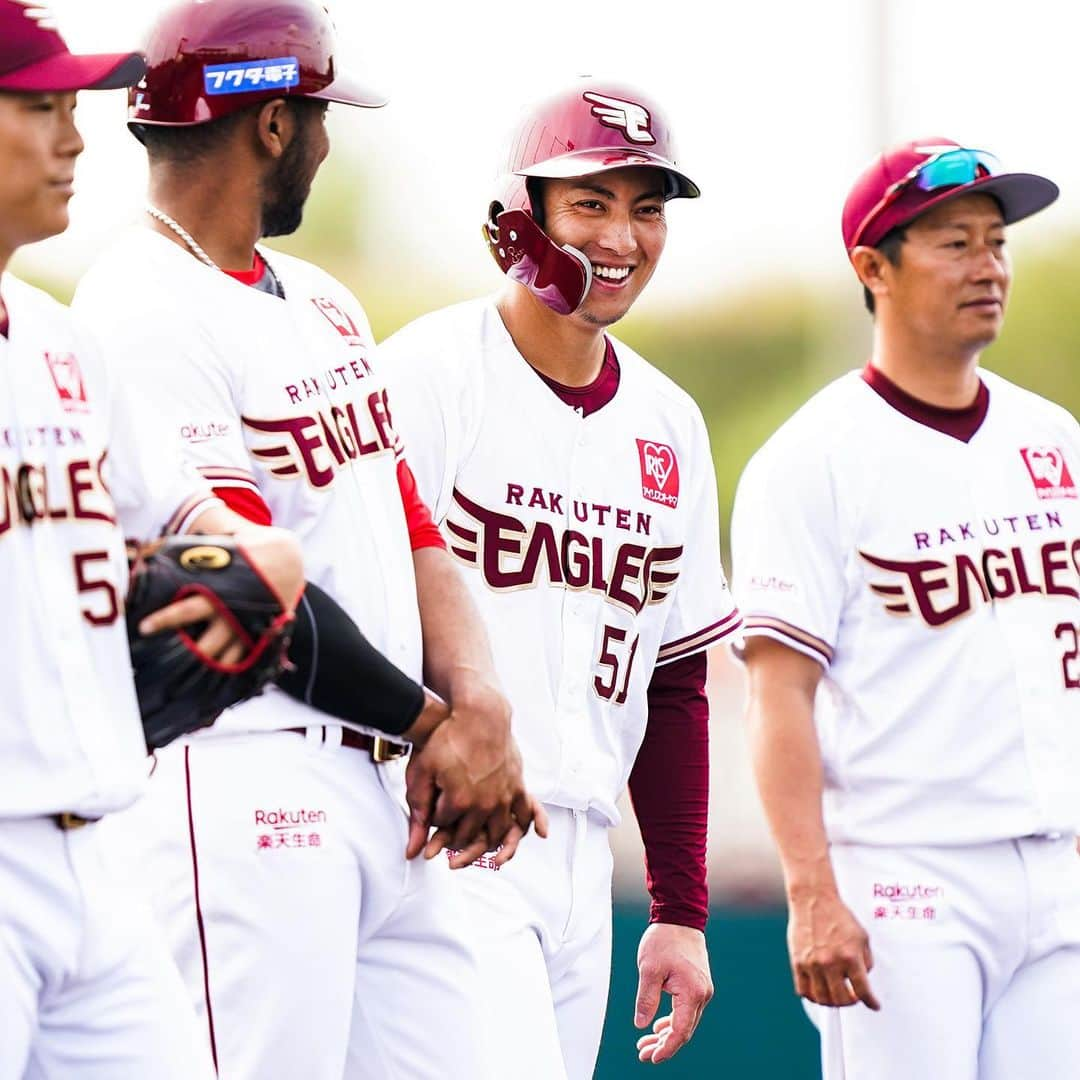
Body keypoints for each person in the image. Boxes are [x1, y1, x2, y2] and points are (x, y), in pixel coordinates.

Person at [72, 1, 542, 1077]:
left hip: (389, 781)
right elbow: (249, 589)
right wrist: (439, 725)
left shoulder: (322, 299)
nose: (327, 142)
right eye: (318, 115)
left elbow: (407, 516)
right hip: (244, 777)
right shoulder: (139, 307)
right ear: (272, 125)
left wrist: (480, 702)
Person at [380, 80, 740, 1078]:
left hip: (585, 860)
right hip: (451, 834)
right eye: (590, 203)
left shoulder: (671, 423)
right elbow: (361, 607)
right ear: (520, 217)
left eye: (648, 206)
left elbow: (674, 681)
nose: (623, 236)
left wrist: (680, 910)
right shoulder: (429, 373)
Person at [730, 137, 1080, 1079]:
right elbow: (778, 699)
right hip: (907, 876)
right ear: (872, 268)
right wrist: (811, 891)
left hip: (1060, 867)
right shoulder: (812, 460)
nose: (988, 266)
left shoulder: (1053, 437)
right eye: (954, 242)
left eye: (996, 241)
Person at [0, 3, 305, 1077]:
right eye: (38, 108)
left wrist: (259, 568)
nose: (74, 137)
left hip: (96, 855)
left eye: (73, 106)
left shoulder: (56, 340)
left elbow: (204, 525)